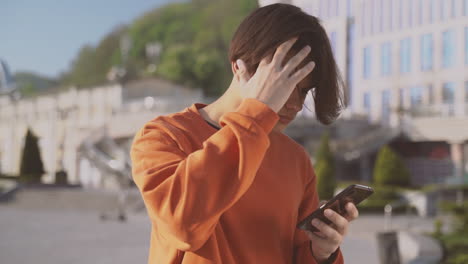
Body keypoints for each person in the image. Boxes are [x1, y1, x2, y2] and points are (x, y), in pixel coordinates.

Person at [131, 3, 359, 264]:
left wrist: (321, 253)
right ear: (239, 68)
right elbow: (183, 225)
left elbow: (297, 254)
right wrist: (257, 113)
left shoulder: (296, 160)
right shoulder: (164, 136)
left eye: (304, 91)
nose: (296, 104)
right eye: (287, 83)